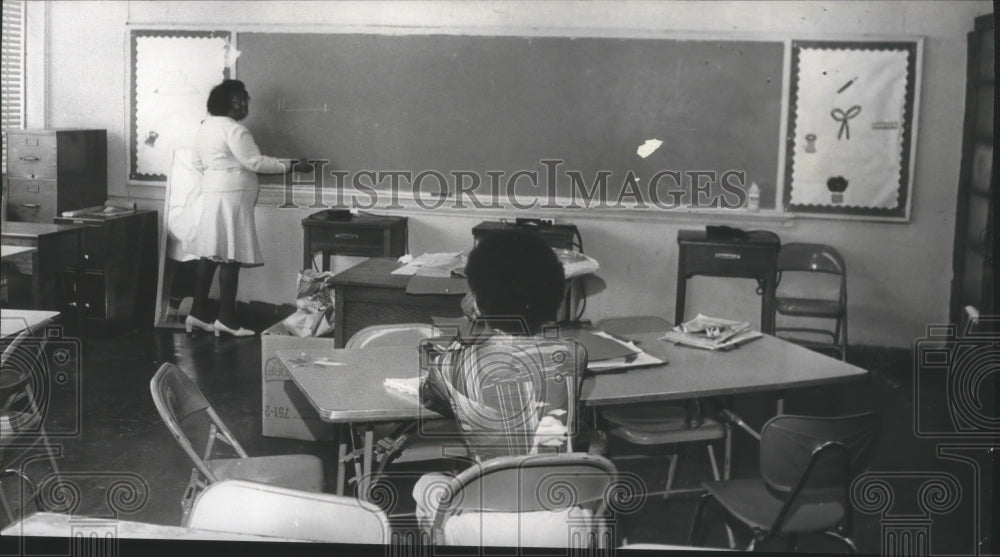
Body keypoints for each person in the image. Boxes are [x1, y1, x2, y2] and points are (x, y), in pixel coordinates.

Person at [412, 229, 588, 536]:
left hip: (482, 527)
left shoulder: (452, 365)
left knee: (425, 486)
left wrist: (473, 324)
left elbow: (429, 396)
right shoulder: (573, 354)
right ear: (555, 299)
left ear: (478, 302)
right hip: (560, 522)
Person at [184, 79, 290, 336]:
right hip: (233, 196)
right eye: (238, 99)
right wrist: (291, 165)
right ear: (224, 103)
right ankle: (227, 320)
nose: (243, 104)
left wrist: (220, 174)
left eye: (245, 99)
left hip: (213, 193)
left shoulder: (205, 127)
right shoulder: (235, 130)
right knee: (230, 255)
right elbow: (255, 162)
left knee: (210, 254)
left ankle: (197, 314)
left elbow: (196, 162)